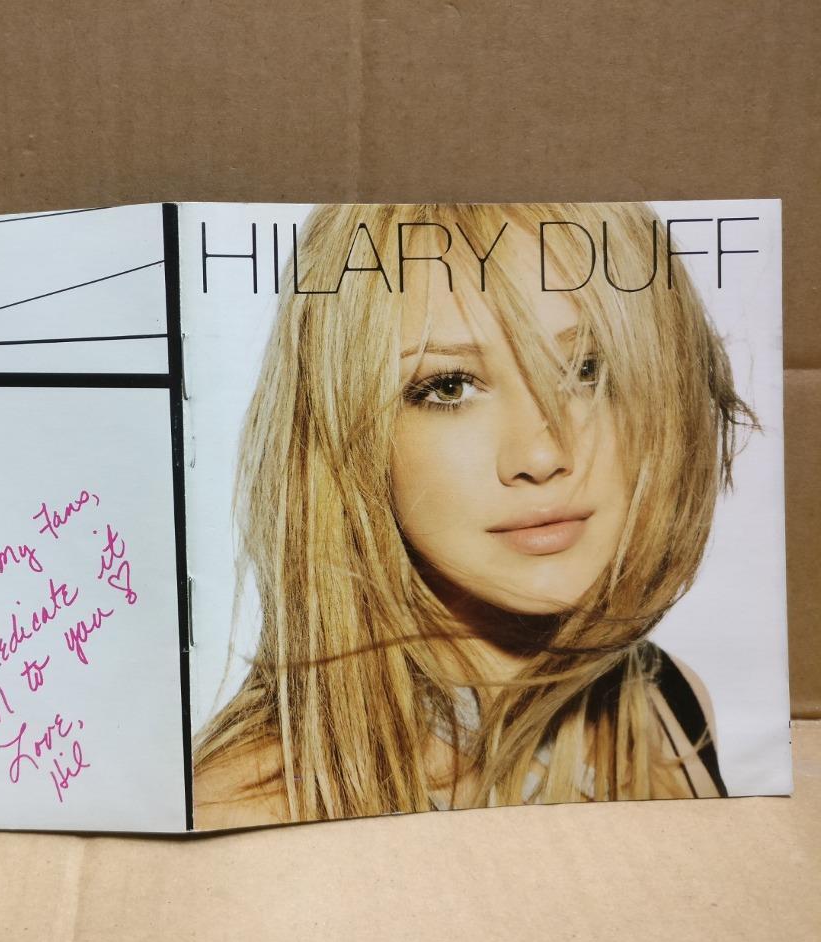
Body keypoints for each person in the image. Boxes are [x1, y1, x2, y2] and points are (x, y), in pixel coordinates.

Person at [191, 202, 756, 829]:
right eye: (450, 386)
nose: (541, 456)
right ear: (346, 440)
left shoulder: (670, 707)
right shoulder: (248, 807)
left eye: (587, 370)